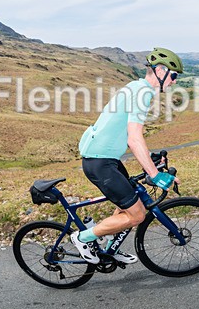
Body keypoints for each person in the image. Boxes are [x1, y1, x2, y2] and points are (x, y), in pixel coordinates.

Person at [71, 47, 183, 264]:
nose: (174, 82)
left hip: (106, 158)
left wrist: (150, 158)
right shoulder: (143, 93)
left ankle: (108, 249)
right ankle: (83, 238)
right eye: (174, 75)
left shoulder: (136, 87)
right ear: (160, 71)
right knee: (138, 215)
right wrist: (155, 174)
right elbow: (134, 138)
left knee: (127, 206)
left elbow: (122, 131)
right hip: (100, 162)